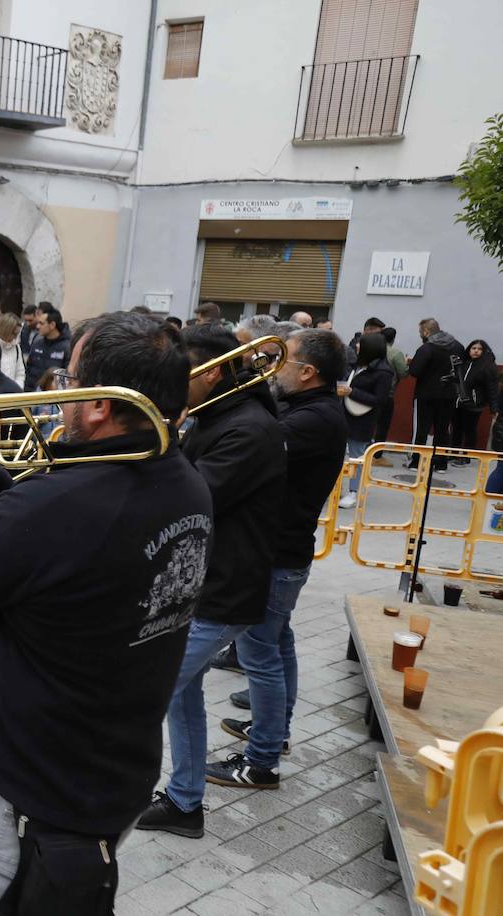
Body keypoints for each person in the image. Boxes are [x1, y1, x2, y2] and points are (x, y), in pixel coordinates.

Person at [0, 312, 210, 914]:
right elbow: (58, 559)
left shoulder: (65, 499)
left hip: (19, 795)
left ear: (99, 407)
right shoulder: (183, 480)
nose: (59, 394)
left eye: (69, 382)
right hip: (107, 774)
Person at [138, 323, 286, 838]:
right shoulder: (215, 415)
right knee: (181, 695)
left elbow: (191, 495)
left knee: (145, 694)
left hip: (222, 590)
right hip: (201, 583)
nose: (177, 381)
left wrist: (164, 436)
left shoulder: (247, 428)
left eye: (185, 372)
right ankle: (184, 802)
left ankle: (96, 798)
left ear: (214, 371)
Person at [217, 330, 347, 790]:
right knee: (277, 645)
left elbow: (257, 442)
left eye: (283, 360)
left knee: (260, 656)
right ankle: (276, 732)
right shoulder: (309, 408)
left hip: (277, 554)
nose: (275, 368)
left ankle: (262, 761)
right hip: (283, 551)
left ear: (308, 372)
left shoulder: (317, 419)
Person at [338, 333, 394, 508]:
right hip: (344, 414)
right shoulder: (359, 365)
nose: (356, 346)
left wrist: (351, 392)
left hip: (362, 419)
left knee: (356, 457)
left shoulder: (384, 371)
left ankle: (354, 492)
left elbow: (379, 400)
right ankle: (336, 488)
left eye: (360, 344)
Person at [409, 318, 466, 471]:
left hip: (425, 395)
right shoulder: (458, 346)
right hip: (448, 394)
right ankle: (440, 463)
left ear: (426, 332)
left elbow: (414, 371)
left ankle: (416, 462)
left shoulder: (427, 348)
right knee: (443, 430)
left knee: (421, 430)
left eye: (421, 332)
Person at [453, 339, 496, 453]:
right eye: (474, 348)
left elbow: (492, 388)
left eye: (479, 349)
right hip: (458, 401)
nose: (476, 351)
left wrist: (493, 408)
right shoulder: (463, 363)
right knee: (456, 428)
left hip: (474, 404)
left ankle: (466, 456)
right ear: (469, 350)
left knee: (469, 430)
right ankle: (453, 452)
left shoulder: (487, 366)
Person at [23, 306, 71, 391]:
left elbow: (67, 378)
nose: (37, 326)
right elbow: (29, 372)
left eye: (41, 323)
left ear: (52, 325)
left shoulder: (67, 347)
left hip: (53, 398)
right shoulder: (37, 343)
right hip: (32, 397)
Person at [0, 313, 26, 388]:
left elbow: (20, 372)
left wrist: (18, 389)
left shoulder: (16, 346)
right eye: (14, 334)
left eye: (17, 334)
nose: (15, 338)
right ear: (6, 330)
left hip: (12, 393)